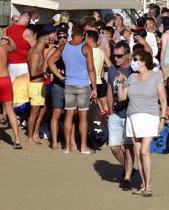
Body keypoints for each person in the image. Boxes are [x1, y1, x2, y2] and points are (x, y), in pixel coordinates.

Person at [117, 49, 167, 197]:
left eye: (135, 59)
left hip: (150, 116)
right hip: (133, 116)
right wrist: (121, 83)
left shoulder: (156, 76)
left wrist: (162, 119)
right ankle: (143, 185)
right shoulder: (132, 77)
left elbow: (163, 100)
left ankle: (149, 186)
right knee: (138, 152)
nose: (133, 62)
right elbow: (122, 98)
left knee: (145, 151)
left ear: (144, 61)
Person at [54, 24, 97, 154]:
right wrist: (94, 87)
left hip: (69, 84)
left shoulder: (63, 46)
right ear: (83, 34)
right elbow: (91, 69)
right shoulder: (85, 47)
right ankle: (83, 147)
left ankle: (67, 146)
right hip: (83, 84)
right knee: (83, 117)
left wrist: (60, 76)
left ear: (72, 33)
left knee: (69, 115)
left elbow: (50, 61)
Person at [105, 41, 135, 190]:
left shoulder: (135, 70)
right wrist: (110, 111)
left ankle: (127, 177)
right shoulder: (111, 70)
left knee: (129, 146)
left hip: (131, 113)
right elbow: (110, 90)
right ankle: (128, 167)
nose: (116, 59)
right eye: (114, 56)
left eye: (119, 56)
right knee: (115, 147)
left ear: (128, 55)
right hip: (116, 113)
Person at [27, 31, 49, 146]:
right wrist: (44, 72)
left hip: (40, 85)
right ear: (42, 39)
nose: (50, 40)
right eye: (48, 38)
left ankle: (35, 134)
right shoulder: (35, 53)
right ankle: (30, 138)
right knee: (34, 112)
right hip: (35, 85)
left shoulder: (38, 51)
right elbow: (32, 73)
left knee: (43, 109)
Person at [6, 12, 36, 82]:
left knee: (12, 89)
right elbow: (36, 48)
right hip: (23, 64)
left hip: (10, 65)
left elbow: (3, 44)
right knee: (23, 89)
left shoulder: (8, 29)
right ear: (27, 19)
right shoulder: (27, 31)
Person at [85, 30, 110, 112]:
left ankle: (91, 124)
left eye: (85, 37)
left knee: (86, 109)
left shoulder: (88, 52)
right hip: (100, 81)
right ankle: (105, 122)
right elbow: (108, 65)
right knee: (105, 108)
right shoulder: (101, 51)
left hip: (89, 82)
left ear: (89, 39)